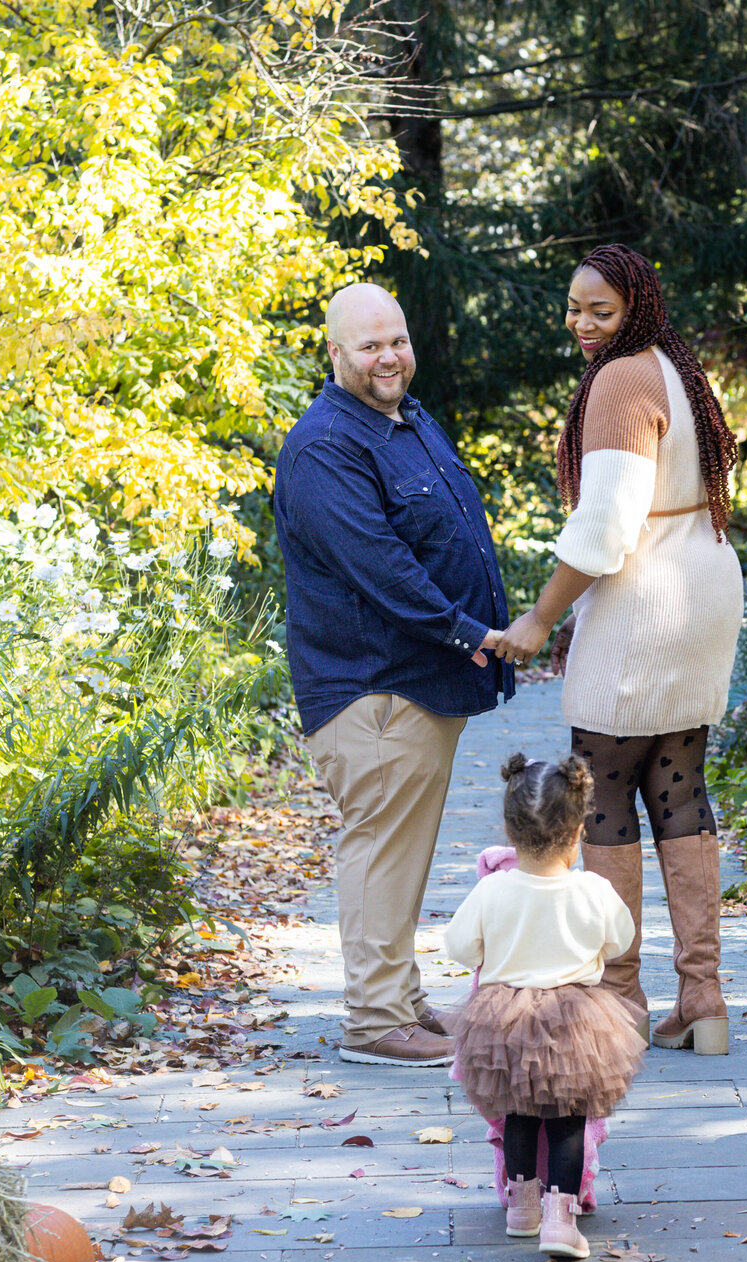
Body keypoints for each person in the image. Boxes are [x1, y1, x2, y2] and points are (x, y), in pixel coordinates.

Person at [494, 244, 743, 1056]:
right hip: (700, 585)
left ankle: (621, 997)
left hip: (645, 601)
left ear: (635, 304)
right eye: (573, 307)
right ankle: (702, 998)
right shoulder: (674, 369)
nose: (582, 323)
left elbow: (603, 528)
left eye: (599, 309)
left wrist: (537, 620)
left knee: (601, 790)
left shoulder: (619, 382)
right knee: (678, 783)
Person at [274, 283, 512, 1067]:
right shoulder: (324, 445)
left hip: (415, 680)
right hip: (373, 684)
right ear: (335, 353)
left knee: (402, 846)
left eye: (397, 341)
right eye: (369, 345)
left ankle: (400, 997)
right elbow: (377, 563)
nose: (388, 357)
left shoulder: (404, 421)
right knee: (380, 844)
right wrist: (468, 630)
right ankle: (375, 1022)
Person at [446, 754, 645, 1259]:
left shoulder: (492, 890)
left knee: (517, 1113)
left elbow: (459, 947)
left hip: (502, 1020)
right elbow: (621, 940)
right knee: (567, 1120)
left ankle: (521, 1207)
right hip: (578, 1022)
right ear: (578, 832)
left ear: (510, 834)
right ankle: (561, 1218)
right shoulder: (592, 890)